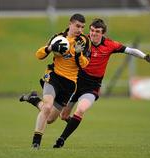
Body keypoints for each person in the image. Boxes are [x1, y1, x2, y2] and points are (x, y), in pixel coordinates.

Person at [20, 18, 150, 148]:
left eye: (97, 31)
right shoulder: (83, 41)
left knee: (81, 109)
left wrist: (145, 56)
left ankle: (61, 139)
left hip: (92, 86)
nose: (93, 34)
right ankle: (34, 99)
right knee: (57, 117)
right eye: (91, 30)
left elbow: (130, 50)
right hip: (76, 83)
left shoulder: (110, 45)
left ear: (103, 33)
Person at [20, 13, 91, 149]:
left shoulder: (84, 41)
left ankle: (34, 99)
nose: (80, 30)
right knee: (47, 106)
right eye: (77, 26)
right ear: (70, 24)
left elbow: (85, 64)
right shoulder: (57, 38)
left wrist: (78, 54)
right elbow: (39, 55)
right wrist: (50, 48)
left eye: (82, 27)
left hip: (69, 84)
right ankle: (36, 143)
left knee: (50, 118)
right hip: (54, 76)